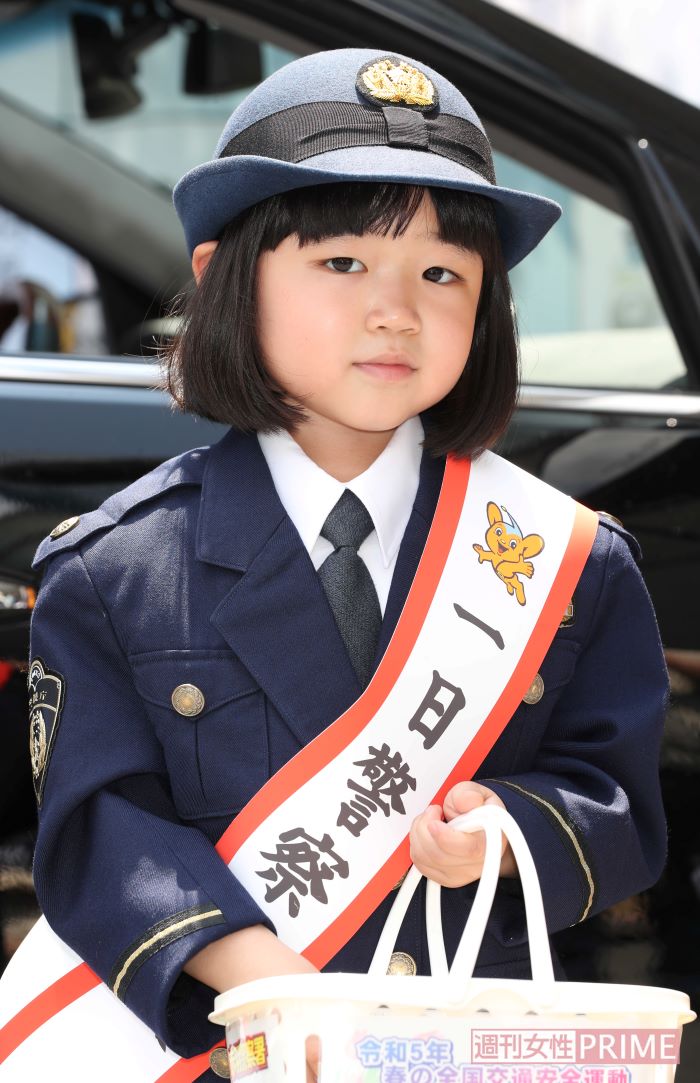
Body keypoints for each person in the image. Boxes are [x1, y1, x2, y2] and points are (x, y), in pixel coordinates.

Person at [28, 48, 668, 1078]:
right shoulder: (117, 569)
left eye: (442, 274)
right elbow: (103, 832)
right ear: (223, 277)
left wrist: (511, 830)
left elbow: (617, 798)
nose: (395, 310)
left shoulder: (569, 560)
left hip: (472, 1051)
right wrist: (277, 991)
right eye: (341, 263)